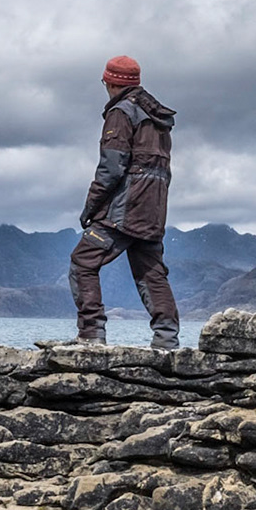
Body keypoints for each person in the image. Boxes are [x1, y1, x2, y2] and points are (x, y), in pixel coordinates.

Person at [69, 54, 180, 347]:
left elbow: (111, 168)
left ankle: (91, 334)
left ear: (109, 81)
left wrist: (90, 207)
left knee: (82, 261)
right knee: (151, 271)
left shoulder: (121, 113)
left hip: (124, 209)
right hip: (154, 209)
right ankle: (167, 341)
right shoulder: (158, 119)